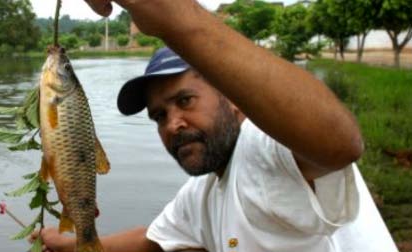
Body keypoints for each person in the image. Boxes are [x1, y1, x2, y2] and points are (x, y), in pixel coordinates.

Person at [30, 0, 398, 251]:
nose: (173, 123)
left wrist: (180, 17)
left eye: (185, 101)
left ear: (234, 97)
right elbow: (154, 242)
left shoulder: (266, 144)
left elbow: (342, 144)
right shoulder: (203, 192)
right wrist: (76, 242)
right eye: (159, 116)